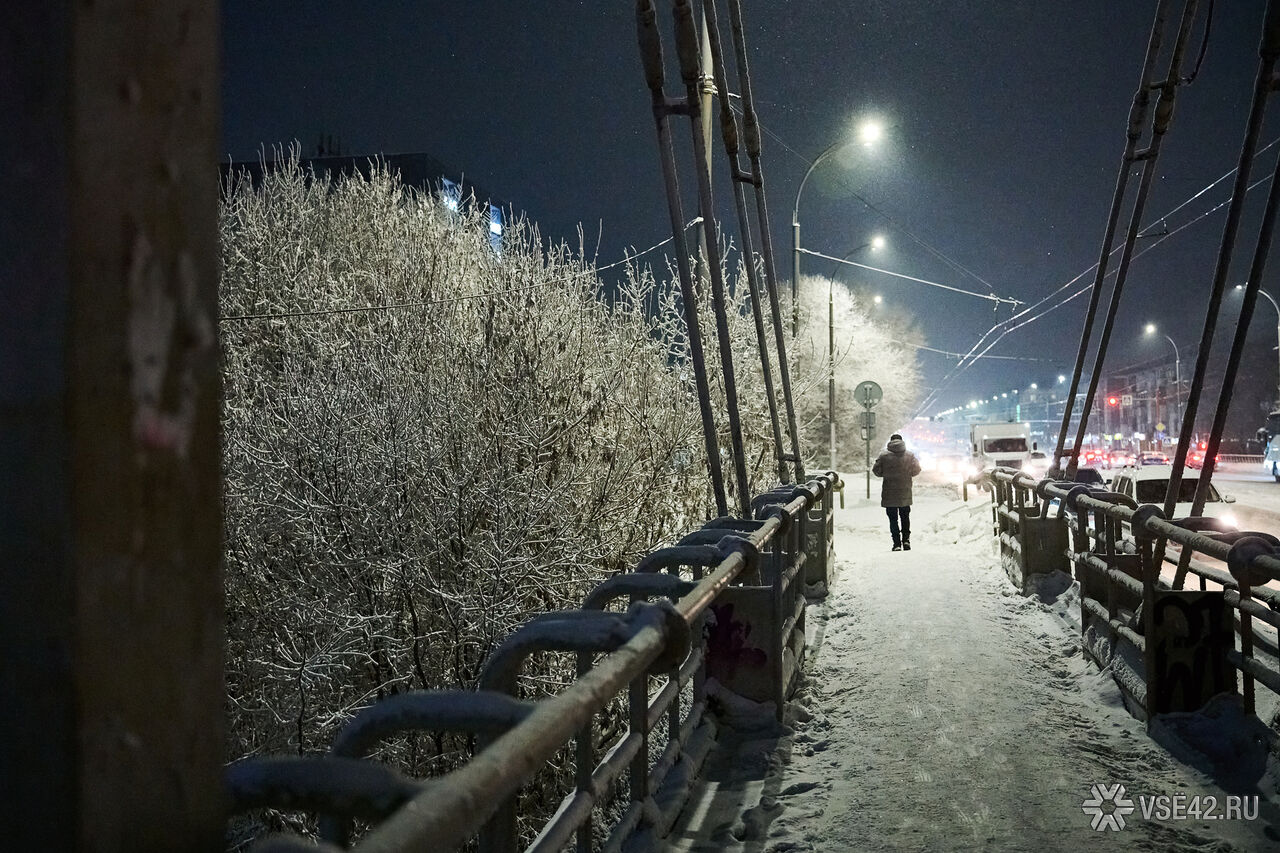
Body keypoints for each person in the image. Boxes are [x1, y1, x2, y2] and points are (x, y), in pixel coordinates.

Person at [872, 433, 921, 551]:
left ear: (890, 442)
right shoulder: (909, 455)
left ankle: (896, 543)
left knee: (893, 519)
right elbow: (917, 469)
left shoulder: (884, 456)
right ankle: (906, 540)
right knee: (905, 517)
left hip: (889, 492)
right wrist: (907, 474)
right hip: (905, 491)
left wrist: (887, 473)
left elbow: (876, 471)